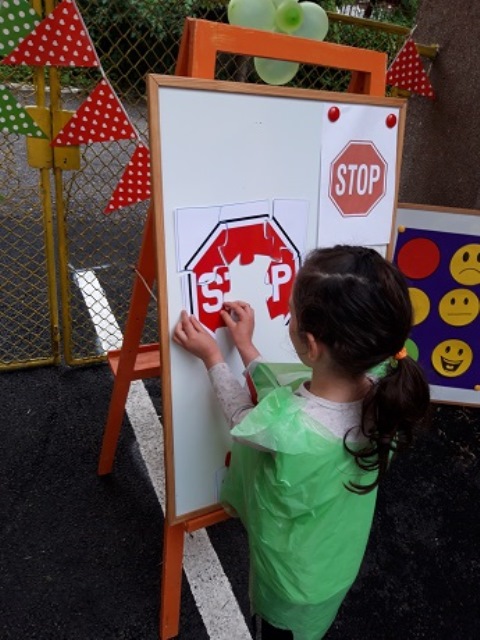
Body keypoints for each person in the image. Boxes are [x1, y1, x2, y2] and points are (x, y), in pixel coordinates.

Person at [173, 245, 430, 640]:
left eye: (290, 313)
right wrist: (246, 347)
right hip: (332, 564)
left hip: (288, 586)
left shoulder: (290, 430)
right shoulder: (386, 389)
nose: (288, 316)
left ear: (310, 345)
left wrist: (212, 357)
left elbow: (244, 418)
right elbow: (283, 396)